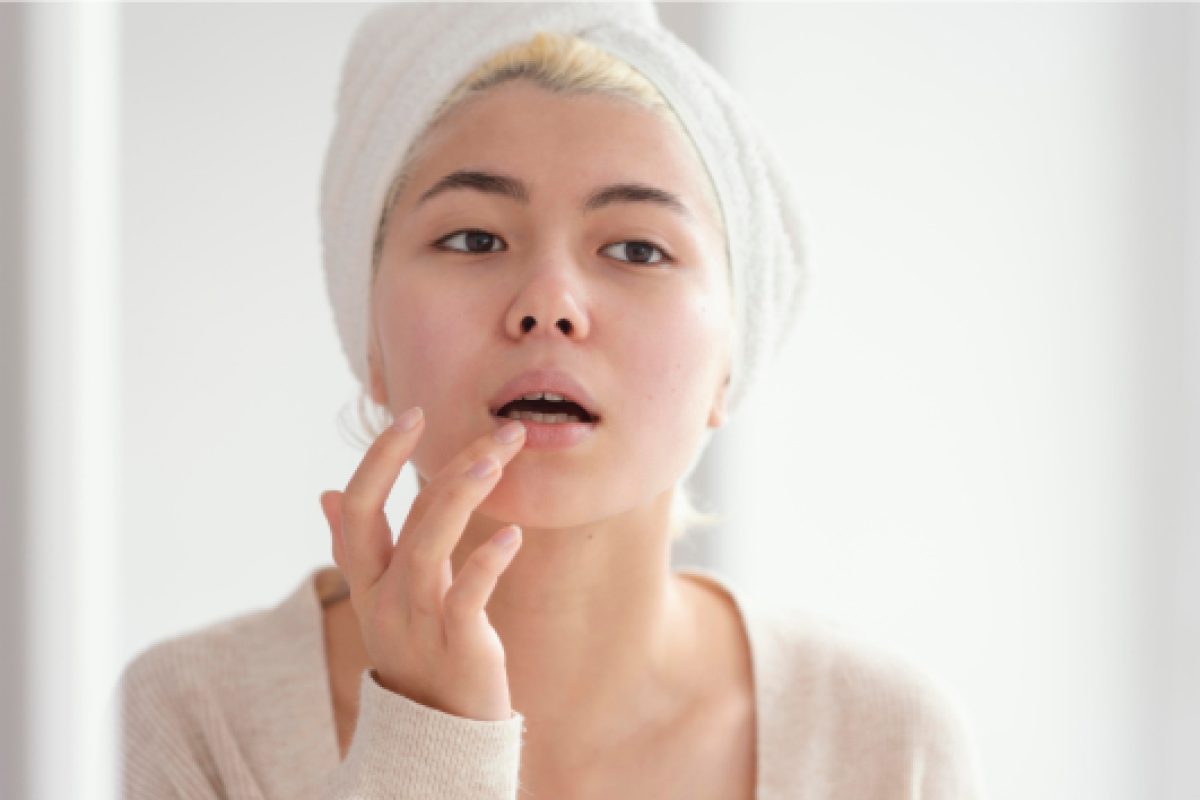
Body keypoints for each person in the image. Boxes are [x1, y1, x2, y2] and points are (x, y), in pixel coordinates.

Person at [116, 3, 986, 798]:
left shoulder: (881, 743)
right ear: (370, 341)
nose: (549, 301)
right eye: (472, 237)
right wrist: (428, 743)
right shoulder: (193, 721)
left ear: (732, 356)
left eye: (638, 250)